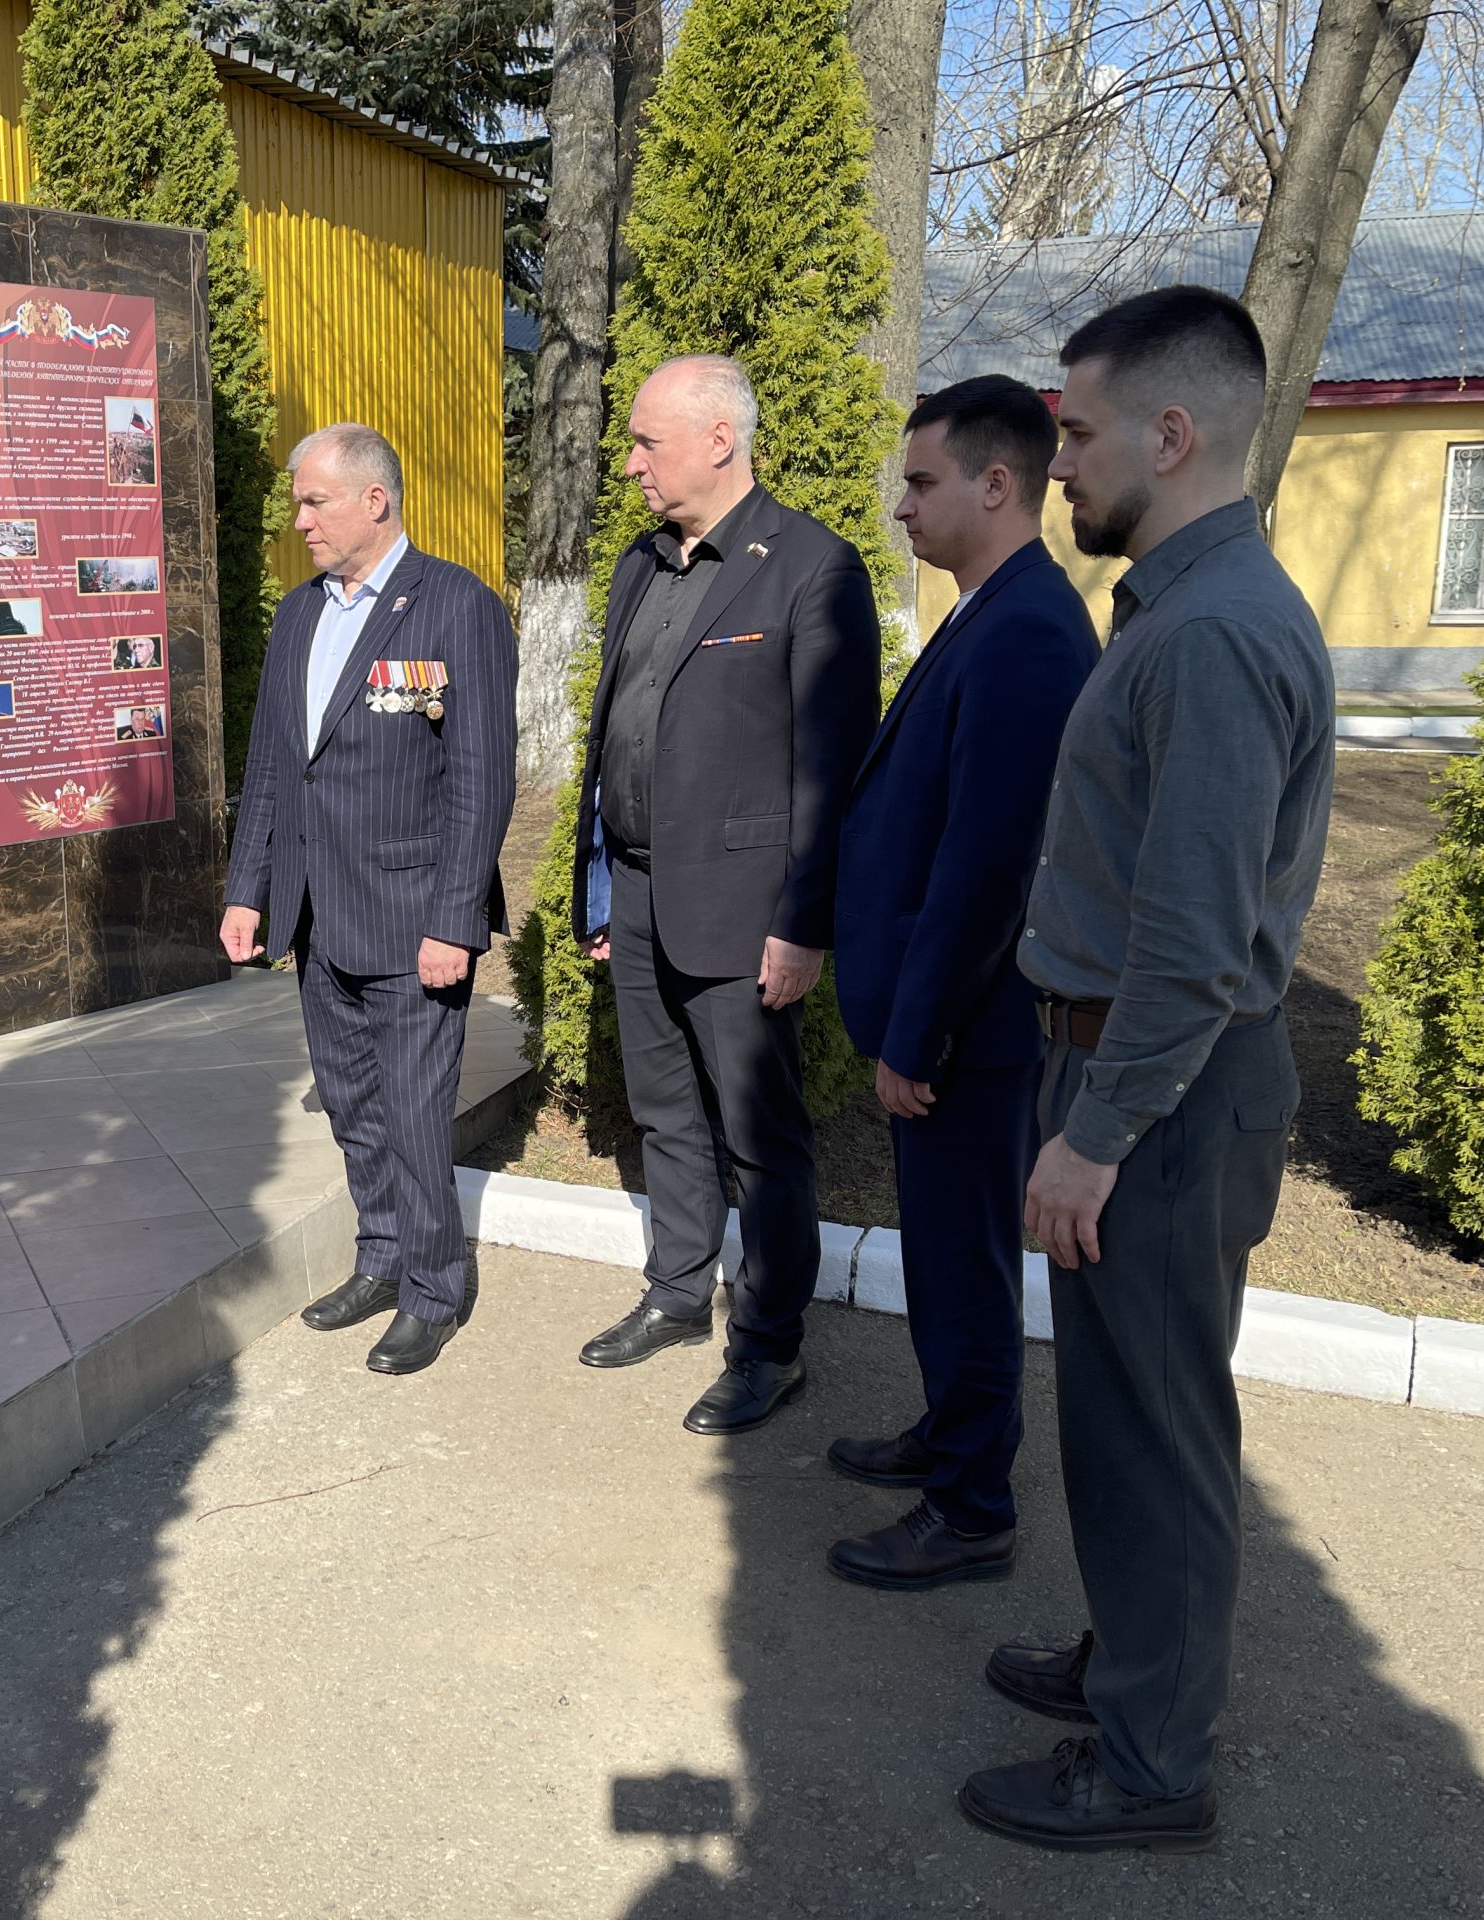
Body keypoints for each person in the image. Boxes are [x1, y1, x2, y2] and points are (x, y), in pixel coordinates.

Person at [959, 287, 1333, 1852]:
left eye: (1078, 433)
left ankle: (1153, 1764)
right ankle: (1134, 1661)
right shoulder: (1180, 610)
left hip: (1158, 1096)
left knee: (1158, 1435)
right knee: (1118, 1418)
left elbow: (1191, 940)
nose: (1058, 463)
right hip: (1135, 1081)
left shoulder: (1219, 633)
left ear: (1172, 436)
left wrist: (1096, 1131)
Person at [567, 355, 880, 1433]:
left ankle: (770, 1344)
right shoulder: (640, 564)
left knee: (761, 1137)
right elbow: (612, 735)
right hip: (637, 891)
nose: (631, 463)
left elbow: (832, 769)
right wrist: (601, 887)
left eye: (646, 442)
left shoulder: (811, 566)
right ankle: (674, 1293)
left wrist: (803, 922)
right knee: (662, 1111)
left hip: (744, 910)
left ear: (718, 439)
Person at [826, 376, 1099, 1590]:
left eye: (922, 482)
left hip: (969, 1037)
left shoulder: (1028, 627)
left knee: (966, 1266)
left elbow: (987, 864)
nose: (902, 506)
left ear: (996, 485)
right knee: (944, 1258)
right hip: (952, 1026)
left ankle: (972, 1505)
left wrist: (918, 1034)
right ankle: (951, 1434)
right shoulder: (993, 609)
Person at [222, 423, 516, 1376]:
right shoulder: (298, 615)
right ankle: (382, 1255)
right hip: (318, 912)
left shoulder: (456, 606)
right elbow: (274, 766)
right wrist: (247, 890)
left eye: (315, 502)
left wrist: (455, 919)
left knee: (416, 1112)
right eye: (298, 503)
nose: (299, 520)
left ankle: (434, 1287)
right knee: (352, 1103)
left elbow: (480, 778)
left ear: (374, 501)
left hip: (413, 914)